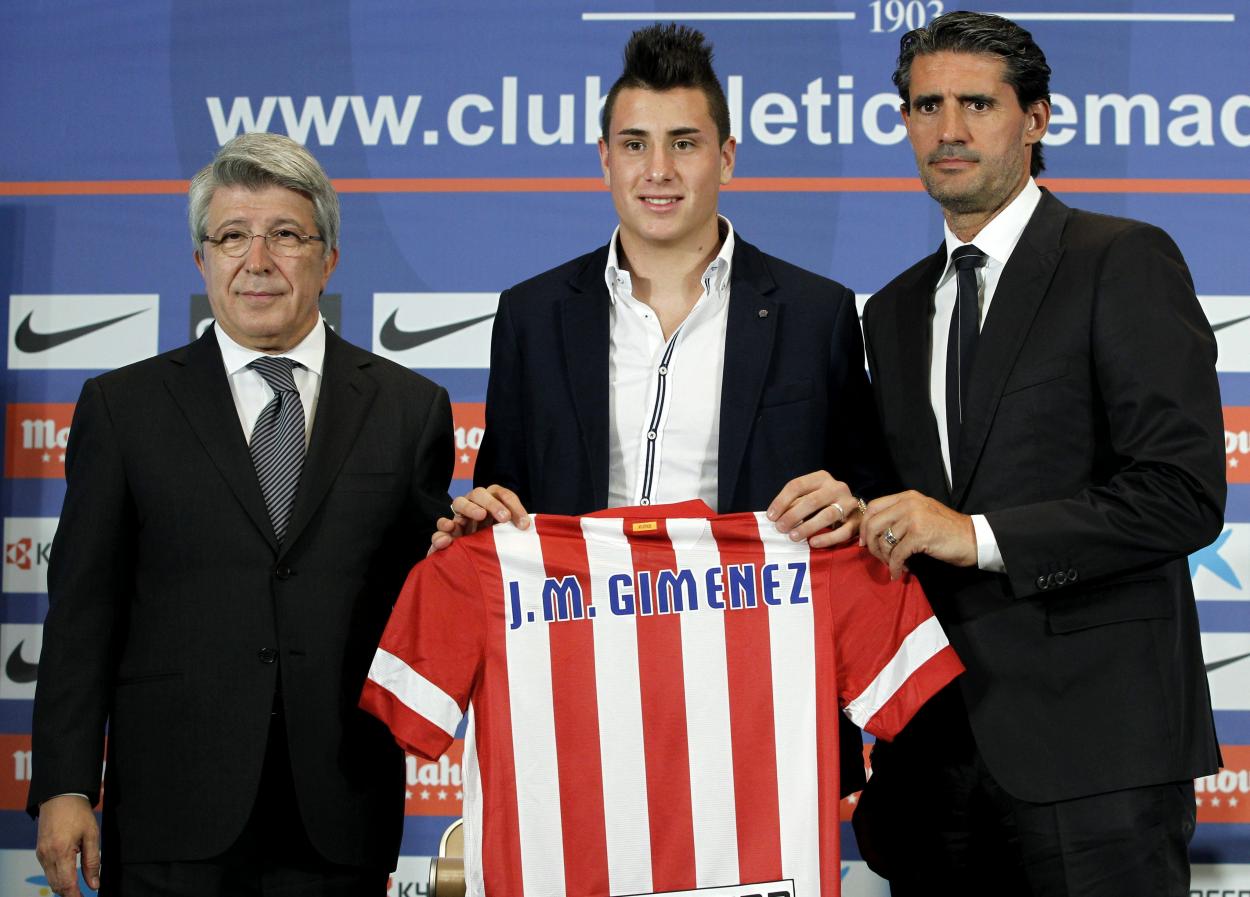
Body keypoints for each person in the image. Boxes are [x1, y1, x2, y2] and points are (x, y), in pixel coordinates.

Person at [431, 23, 889, 795]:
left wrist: (851, 505)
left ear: (728, 156)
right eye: (635, 143)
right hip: (572, 690)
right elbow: (508, 498)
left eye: (685, 142)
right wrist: (480, 516)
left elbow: (873, 494)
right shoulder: (533, 314)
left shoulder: (818, 312)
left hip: (760, 691)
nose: (659, 170)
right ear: (605, 158)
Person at [853, 11, 1225, 895]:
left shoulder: (1122, 260)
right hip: (931, 766)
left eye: (977, 103)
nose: (948, 129)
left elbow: (1180, 493)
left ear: (1037, 118)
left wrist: (975, 534)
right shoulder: (891, 311)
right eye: (925, 105)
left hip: (1098, 765)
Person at [29, 132, 454, 896]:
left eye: (285, 235)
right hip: (170, 813)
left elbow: (420, 600)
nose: (256, 260)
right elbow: (81, 613)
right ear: (201, 259)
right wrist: (63, 784)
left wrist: (468, 549)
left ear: (328, 257)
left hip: (338, 813)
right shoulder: (123, 409)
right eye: (231, 236)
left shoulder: (410, 410)